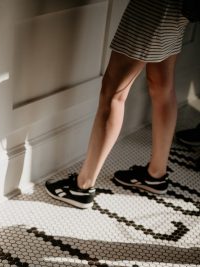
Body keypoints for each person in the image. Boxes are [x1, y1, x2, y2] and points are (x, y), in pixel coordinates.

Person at [45, 0, 189, 209]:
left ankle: (82, 187)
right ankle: (156, 175)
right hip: (179, 7)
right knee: (162, 86)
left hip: (155, 5)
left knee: (113, 92)